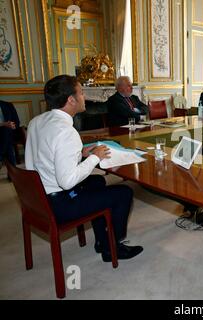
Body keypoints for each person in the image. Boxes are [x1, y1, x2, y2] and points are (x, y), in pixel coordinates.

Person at [25, 75, 143, 262]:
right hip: (59, 205)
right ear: (71, 100)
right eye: (81, 92)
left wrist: (80, 153)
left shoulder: (36, 121)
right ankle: (113, 247)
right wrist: (96, 156)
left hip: (38, 198)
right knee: (124, 193)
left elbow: (46, 154)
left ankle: (102, 240)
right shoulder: (66, 132)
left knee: (98, 181)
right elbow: (67, 181)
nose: (84, 97)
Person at [0, 100, 21, 167]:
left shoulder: (8, 105)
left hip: (8, 132)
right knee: (7, 140)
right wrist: (3, 124)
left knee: (6, 132)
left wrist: (13, 125)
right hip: (6, 133)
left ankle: (0, 156)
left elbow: (16, 121)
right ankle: (12, 171)